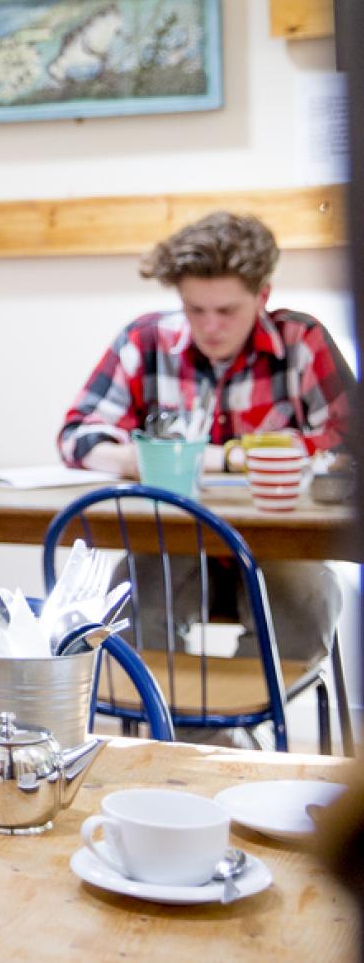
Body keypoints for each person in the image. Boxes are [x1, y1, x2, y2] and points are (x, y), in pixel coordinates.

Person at [58, 210, 353, 668]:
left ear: (263, 296)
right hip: (171, 538)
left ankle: (240, 727)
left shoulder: (301, 340)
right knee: (126, 611)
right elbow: (78, 436)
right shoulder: (146, 341)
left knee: (306, 609)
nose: (211, 326)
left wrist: (226, 458)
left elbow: (347, 440)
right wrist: (138, 459)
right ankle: (192, 736)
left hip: (276, 541)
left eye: (227, 311)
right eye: (196, 310)